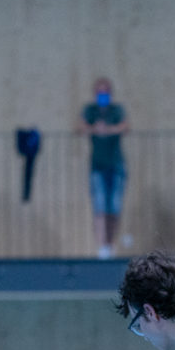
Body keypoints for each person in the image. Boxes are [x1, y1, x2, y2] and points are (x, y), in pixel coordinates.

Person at [76, 77, 130, 258]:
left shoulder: (116, 110)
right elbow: (79, 127)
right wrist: (94, 129)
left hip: (116, 165)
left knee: (114, 205)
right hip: (97, 165)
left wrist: (109, 130)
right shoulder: (90, 111)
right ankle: (102, 246)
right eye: (99, 92)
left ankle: (110, 243)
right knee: (99, 205)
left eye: (105, 92)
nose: (102, 96)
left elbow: (125, 126)